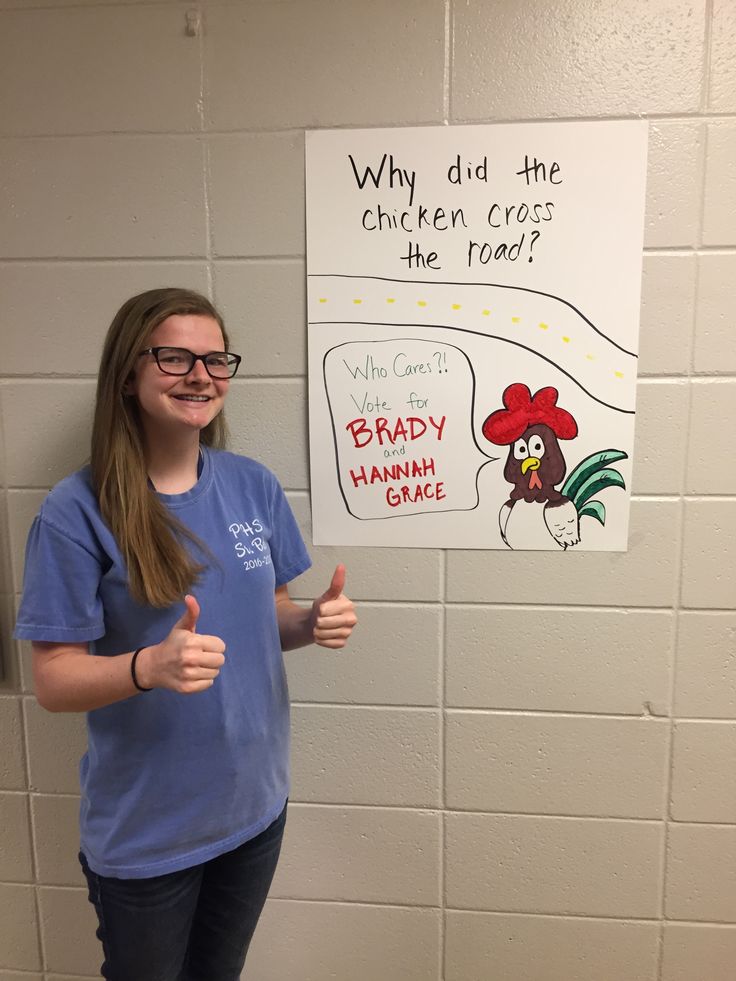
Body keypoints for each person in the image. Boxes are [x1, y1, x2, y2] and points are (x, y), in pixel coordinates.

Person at [14, 287, 357, 981]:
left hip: (253, 810)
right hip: (149, 834)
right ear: (129, 374)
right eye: (175, 356)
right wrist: (149, 665)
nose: (201, 374)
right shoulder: (74, 511)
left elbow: (271, 618)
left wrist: (312, 620)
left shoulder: (253, 486)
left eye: (215, 358)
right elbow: (52, 681)